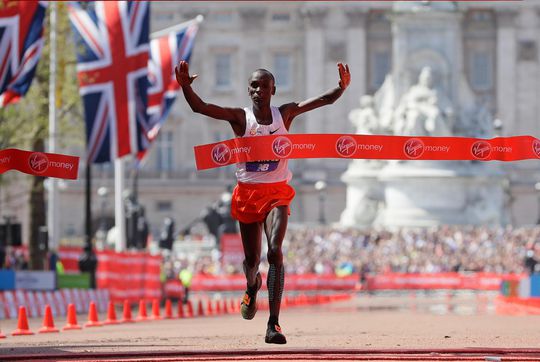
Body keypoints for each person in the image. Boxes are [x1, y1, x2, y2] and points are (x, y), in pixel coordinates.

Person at [175, 60, 350, 344]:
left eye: (264, 86)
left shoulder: (285, 114)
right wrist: (185, 87)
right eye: (254, 86)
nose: (258, 90)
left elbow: (322, 101)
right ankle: (251, 285)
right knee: (252, 260)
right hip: (248, 194)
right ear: (248, 90)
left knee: (275, 251)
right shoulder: (240, 118)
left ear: (273, 90)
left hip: (277, 193)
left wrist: (341, 87)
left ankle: (273, 323)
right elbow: (201, 107)